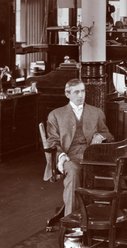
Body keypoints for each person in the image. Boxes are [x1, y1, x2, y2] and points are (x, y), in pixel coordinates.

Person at [45, 78, 114, 217]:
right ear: (67, 94)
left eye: (82, 91)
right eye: (76, 92)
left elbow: (108, 135)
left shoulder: (96, 112)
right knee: (74, 171)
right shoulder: (56, 115)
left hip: (92, 156)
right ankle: (72, 222)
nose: (81, 95)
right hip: (69, 157)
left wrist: (100, 137)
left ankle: (101, 216)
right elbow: (52, 141)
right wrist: (62, 157)